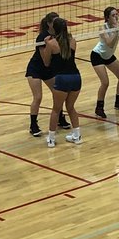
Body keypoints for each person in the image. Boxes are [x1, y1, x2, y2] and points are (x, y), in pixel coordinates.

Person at [43, 17, 82, 145]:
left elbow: (46, 63)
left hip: (62, 78)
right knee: (71, 107)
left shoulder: (51, 43)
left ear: (54, 28)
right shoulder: (73, 41)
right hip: (76, 77)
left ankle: (51, 140)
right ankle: (76, 136)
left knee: (56, 109)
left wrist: (45, 45)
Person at [25, 12, 61, 136]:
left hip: (48, 69)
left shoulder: (59, 34)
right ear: (49, 23)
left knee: (58, 94)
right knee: (38, 97)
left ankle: (60, 118)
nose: (57, 23)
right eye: (55, 21)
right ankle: (33, 125)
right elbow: (45, 60)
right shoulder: (42, 37)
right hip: (35, 69)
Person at [91, 7, 119, 118]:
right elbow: (109, 43)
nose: (116, 16)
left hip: (108, 56)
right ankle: (99, 108)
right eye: (113, 15)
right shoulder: (103, 27)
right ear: (107, 18)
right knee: (105, 82)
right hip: (97, 55)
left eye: (117, 14)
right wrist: (117, 30)